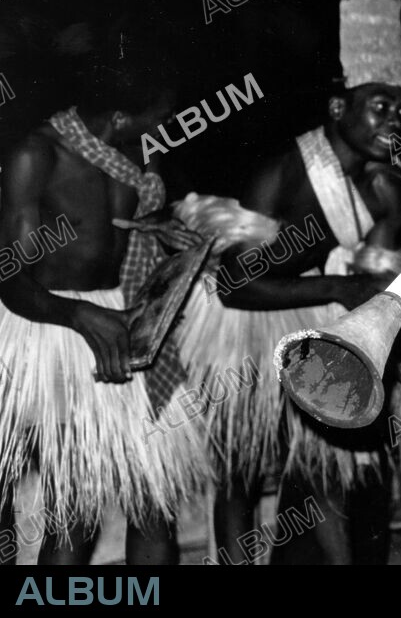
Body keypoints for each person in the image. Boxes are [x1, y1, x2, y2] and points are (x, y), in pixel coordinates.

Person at [175, 0, 401, 564]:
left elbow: (368, 278)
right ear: (337, 108)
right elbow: (237, 285)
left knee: (325, 463)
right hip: (244, 322)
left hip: (317, 319)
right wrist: (334, 289)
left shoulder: (386, 187)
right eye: (380, 105)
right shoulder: (283, 173)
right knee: (242, 472)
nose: (395, 120)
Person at [0, 30, 208, 565]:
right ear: (117, 117)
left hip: (125, 320)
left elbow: (131, 226)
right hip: (52, 329)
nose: (164, 127)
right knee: (77, 515)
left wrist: (168, 232)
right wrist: (79, 315)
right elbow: (10, 278)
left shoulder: (141, 154)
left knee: (156, 503)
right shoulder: (38, 155)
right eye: (155, 117)